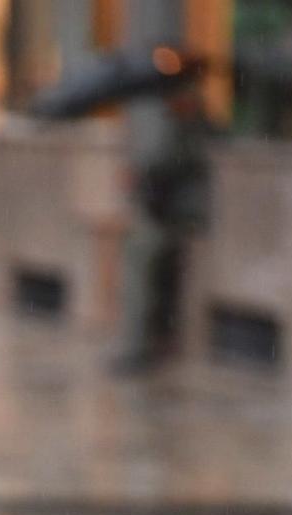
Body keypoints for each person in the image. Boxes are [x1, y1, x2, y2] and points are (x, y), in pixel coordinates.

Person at [112, 85, 210, 376]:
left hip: (177, 219)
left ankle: (138, 346)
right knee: (136, 253)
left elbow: (165, 166)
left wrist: (142, 176)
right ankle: (141, 342)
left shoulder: (186, 131)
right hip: (167, 216)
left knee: (139, 257)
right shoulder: (177, 128)